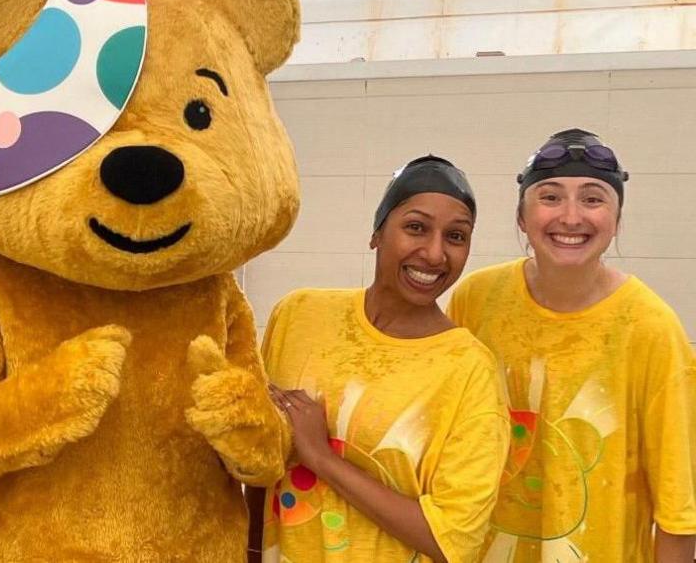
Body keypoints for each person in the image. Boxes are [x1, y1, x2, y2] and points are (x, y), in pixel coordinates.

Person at [448, 129, 696, 562]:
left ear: (617, 219)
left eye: (593, 198)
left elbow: (678, 510)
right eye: (550, 197)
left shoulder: (651, 329)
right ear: (522, 218)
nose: (571, 217)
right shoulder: (476, 300)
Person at [251, 156, 508, 563]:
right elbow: (257, 459)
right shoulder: (298, 315)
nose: (435, 253)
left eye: (456, 237)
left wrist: (320, 457)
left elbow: (452, 541)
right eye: (416, 228)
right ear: (377, 233)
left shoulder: (469, 370)